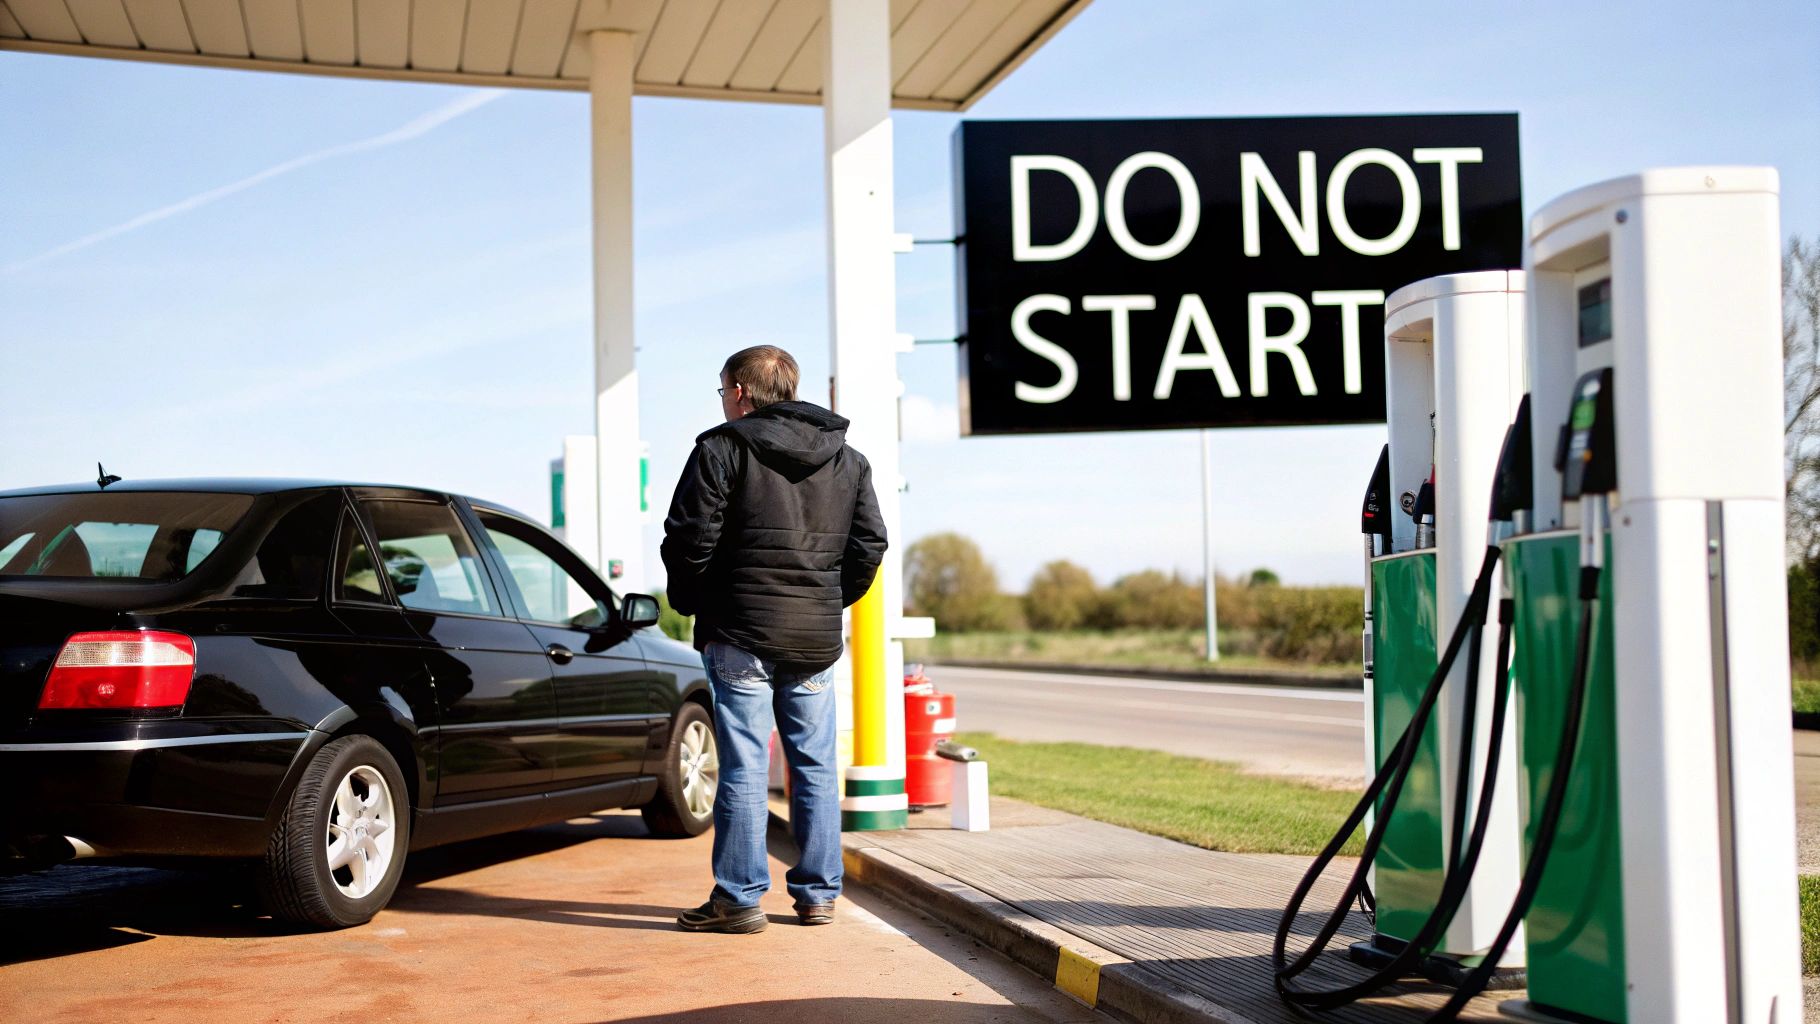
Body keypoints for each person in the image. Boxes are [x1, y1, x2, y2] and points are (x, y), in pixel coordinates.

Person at [661, 344, 887, 934]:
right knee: (814, 766)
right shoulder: (850, 460)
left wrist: (692, 600)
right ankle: (817, 896)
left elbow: (689, 539)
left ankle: (738, 899)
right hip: (813, 638)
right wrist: (826, 601)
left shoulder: (721, 449)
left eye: (722, 391)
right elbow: (869, 545)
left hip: (739, 632)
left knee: (743, 765)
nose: (723, 401)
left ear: (739, 391)